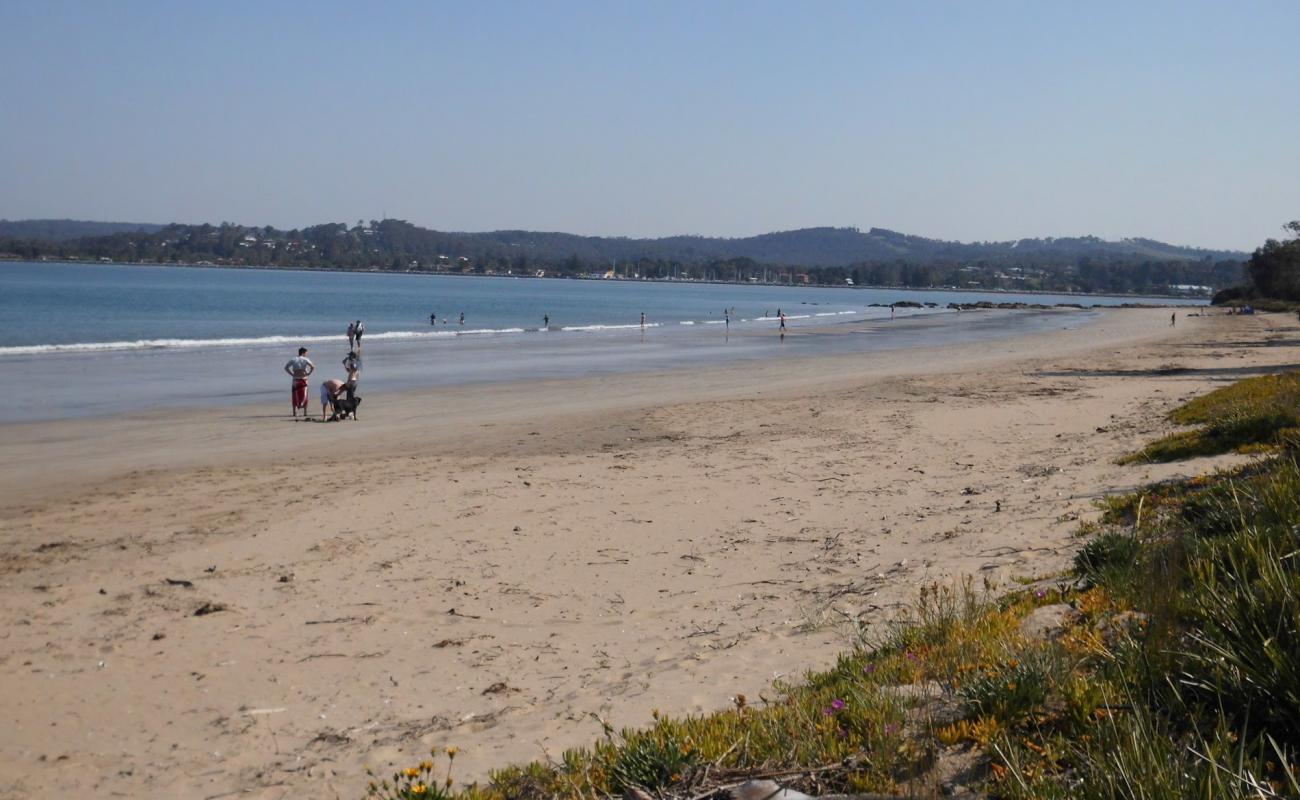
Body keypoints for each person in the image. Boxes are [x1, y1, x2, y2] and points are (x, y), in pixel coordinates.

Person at [284, 347, 315, 417]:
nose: (307, 354)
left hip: (295, 378)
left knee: (295, 395)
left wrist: (291, 374)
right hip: (304, 378)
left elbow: (286, 367)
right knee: (304, 395)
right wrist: (309, 373)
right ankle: (305, 412)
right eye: (306, 353)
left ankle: (294, 412)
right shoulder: (305, 359)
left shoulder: (293, 359)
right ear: (303, 353)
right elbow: (313, 367)